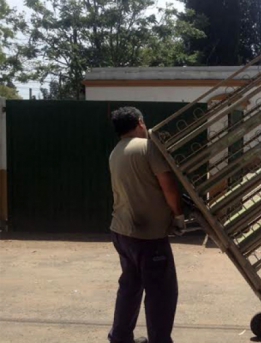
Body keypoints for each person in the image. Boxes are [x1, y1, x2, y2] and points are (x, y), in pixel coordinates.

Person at [107, 106, 185, 343]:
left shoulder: (116, 152)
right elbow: (168, 186)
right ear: (140, 123)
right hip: (148, 236)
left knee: (130, 286)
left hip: (122, 232)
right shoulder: (146, 148)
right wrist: (178, 215)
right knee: (162, 292)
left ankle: (120, 337)